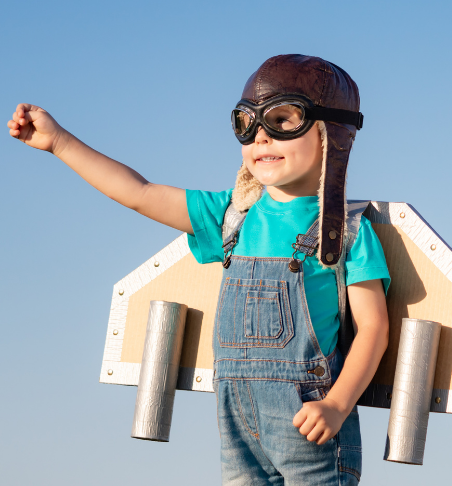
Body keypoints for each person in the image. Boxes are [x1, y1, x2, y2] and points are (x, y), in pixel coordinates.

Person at [8, 54, 390, 485]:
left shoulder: (347, 232)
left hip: (310, 421)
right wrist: (60, 142)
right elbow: (139, 193)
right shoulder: (231, 215)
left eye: (284, 120)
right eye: (248, 124)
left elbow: (373, 327)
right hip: (236, 422)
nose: (262, 137)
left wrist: (338, 404)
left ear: (331, 134)